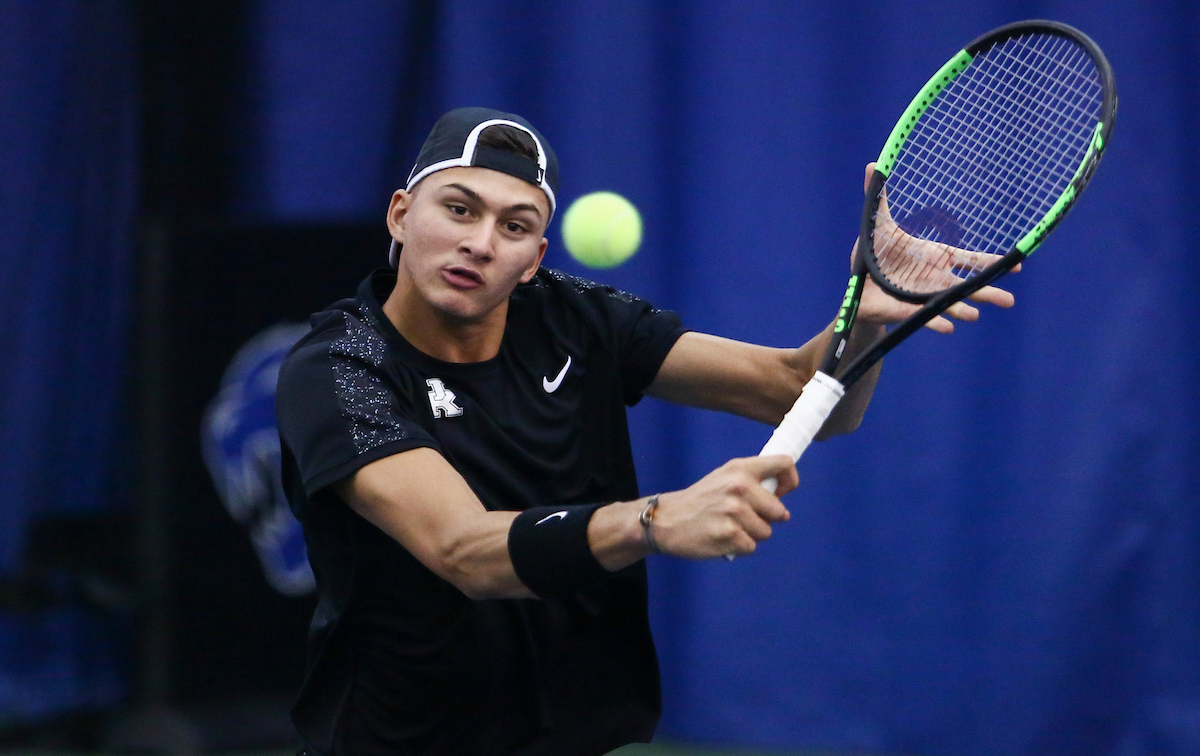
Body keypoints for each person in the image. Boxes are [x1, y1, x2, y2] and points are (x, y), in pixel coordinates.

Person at [275, 107, 1015, 755]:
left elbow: (802, 394)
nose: (481, 242)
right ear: (401, 215)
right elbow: (463, 550)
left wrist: (866, 312)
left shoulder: (577, 318)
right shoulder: (337, 368)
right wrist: (654, 520)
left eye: (515, 226)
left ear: (534, 260)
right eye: (459, 209)